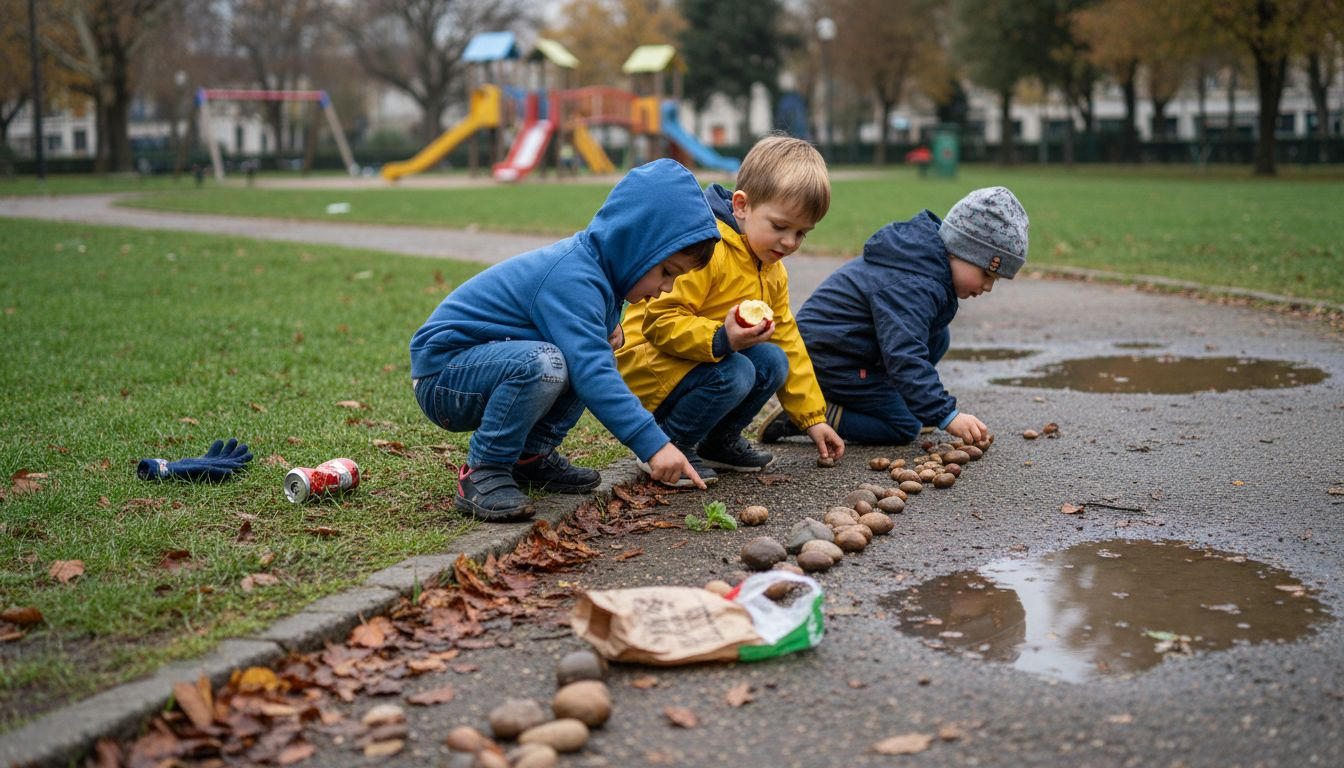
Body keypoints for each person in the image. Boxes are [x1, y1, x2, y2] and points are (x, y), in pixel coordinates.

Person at [410, 159, 720, 521]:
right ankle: (484, 470)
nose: (666, 288)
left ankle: (530, 456)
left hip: (481, 365)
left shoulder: (599, 277)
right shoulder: (574, 276)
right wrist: (654, 445)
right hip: (445, 376)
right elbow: (592, 372)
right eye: (667, 272)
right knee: (550, 363)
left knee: (583, 353)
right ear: (633, 244)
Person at [616, 135, 844, 488]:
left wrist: (812, 417)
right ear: (741, 206)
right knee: (736, 370)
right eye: (780, 227)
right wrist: (722, 338)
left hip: (698, 366)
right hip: (649, 368)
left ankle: (717, 443)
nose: (790, 242)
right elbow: (658, 322)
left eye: (802, 233)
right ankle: (666, 443)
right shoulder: (707, 251)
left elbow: (788, 340)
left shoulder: (771, 269)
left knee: (774, 360)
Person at [763, 186, 1028, 448]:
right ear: (962, 250)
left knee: (937, 337)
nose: (988, 287)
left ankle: (906, 401)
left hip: (851, 349)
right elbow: (905, 354)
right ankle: (811, 415)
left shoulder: (924, 263)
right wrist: (946, 414)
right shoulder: (915, 285)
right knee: (903, 426)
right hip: (828, 359)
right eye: (987, 274)